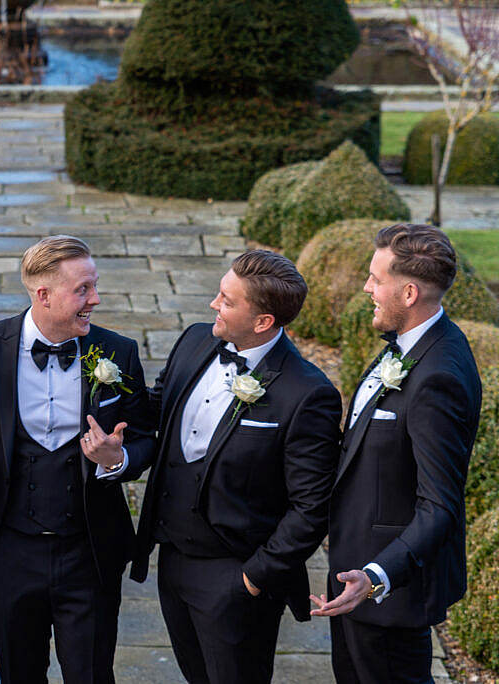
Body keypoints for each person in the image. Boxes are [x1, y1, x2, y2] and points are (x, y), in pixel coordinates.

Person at [132, 250, 341, 684]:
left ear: (263, 321)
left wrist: (252, 579)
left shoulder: (307, 393)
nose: (213, 305)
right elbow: (159, 408)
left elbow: (311, 507)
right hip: (171, 562)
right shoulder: (194, 339)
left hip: (235, 576)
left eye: (227, 300)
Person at [0, 235, 157, 684]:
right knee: (15, 672)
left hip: (89, 551)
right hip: (8, 551)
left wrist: (118, 460)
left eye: (94, 286)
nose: (95, 299)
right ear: (43, 295)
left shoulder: (119, 351)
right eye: (83, 290)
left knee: (93, 674)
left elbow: (147, 437)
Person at [310, 223, 481, 684]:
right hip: (356, 578)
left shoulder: (438, 376)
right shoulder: (409, 346)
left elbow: (440, 505)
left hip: (389, 593)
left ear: (408, 292)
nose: (366, 288)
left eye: (375, 278)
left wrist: (377, 574)